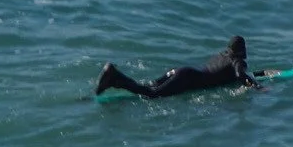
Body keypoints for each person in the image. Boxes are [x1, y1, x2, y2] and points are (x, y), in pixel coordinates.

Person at [95, 36, 256, 99]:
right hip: (186, 78)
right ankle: (114, 75)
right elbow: (240, 75)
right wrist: (257, 86)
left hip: (182, 71)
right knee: (153, 94)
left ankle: (113, 80)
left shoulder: (223, 55)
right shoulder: (237, 61)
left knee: (150, 86)